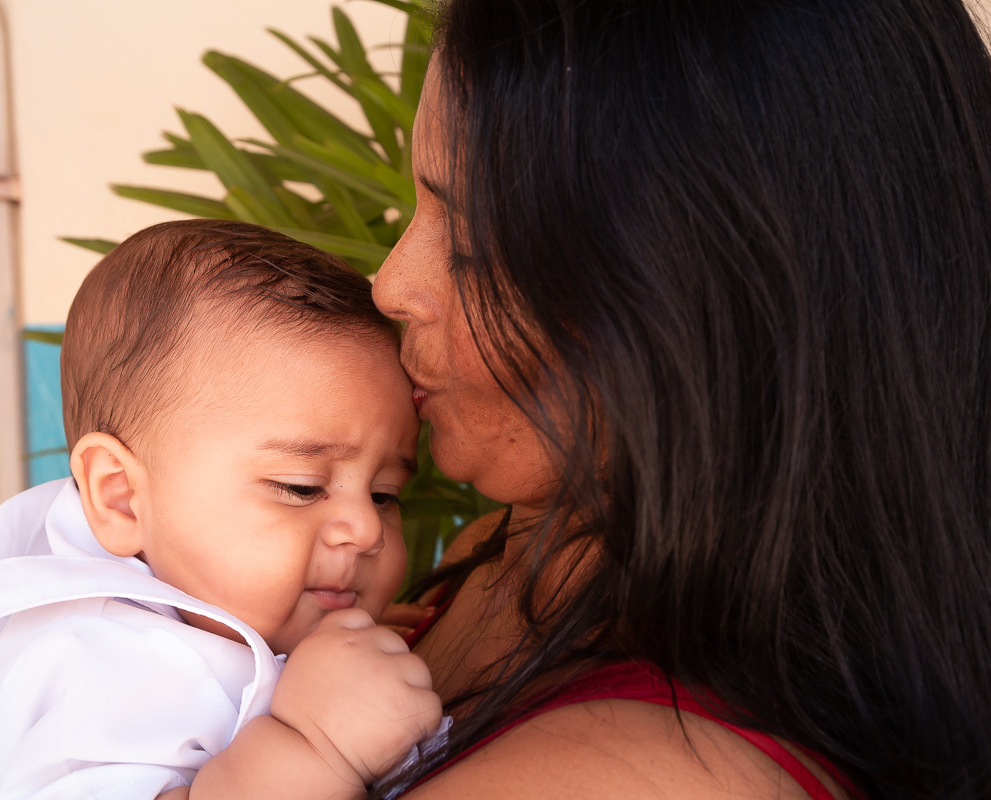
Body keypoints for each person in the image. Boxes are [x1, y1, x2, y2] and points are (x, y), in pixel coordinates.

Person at [370, 0, 991, 797]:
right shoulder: (504, 554)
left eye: (469, 245)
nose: (390, 285)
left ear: (691, 297)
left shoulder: (650, 775)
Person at [0, 219, 442, 800]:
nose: (364, 530)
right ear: (123, 497)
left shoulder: (203, 621)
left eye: (384, 495)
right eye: (301, 487)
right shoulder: (96, 663)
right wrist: (314, 743)